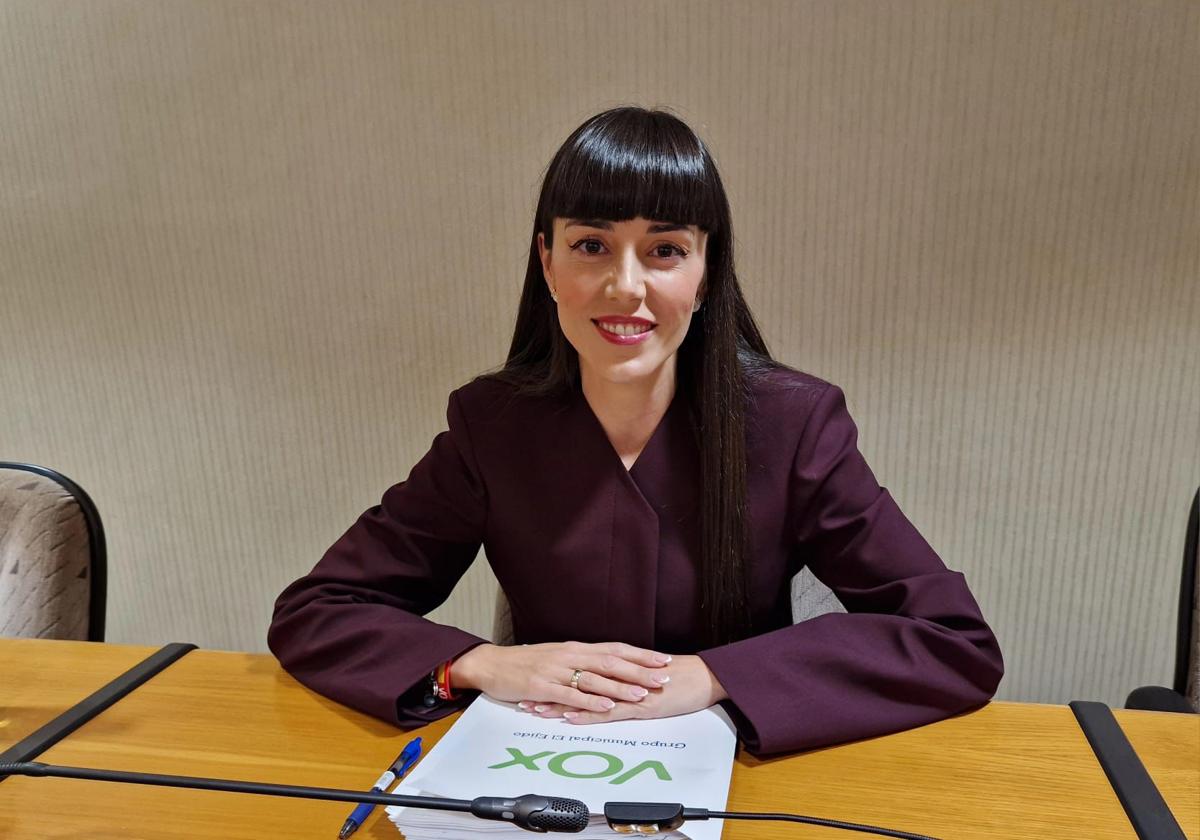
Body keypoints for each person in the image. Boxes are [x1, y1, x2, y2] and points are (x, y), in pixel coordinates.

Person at [267, 105, 1003, 757]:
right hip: (540, 760)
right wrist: (482, 663)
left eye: (665, 250)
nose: (626, 286)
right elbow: (318, 611)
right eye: (591, 245)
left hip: (741, 770)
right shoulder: (491, 425)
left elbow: (950, 640)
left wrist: (713, 676)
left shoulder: (794, 425)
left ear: (706, 273)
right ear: (546, 261)